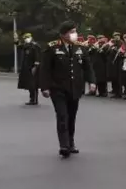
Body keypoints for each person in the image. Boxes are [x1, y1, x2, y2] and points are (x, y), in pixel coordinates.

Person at [39, 21, 95, 158]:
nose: (74, 34)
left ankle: (71, 142)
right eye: (71, 32)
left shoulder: (80, 48)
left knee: (71, 116)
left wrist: (92, 82)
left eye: (75, 31)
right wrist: (44, 87)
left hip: (75, 88)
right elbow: (45, 69)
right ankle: (63, 145)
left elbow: (88, 67)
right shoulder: (52, 47)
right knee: (62, 116)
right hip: (58, 88)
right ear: (63, 34)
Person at [15, 32, 41, 105]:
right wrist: (16, 39)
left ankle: (34, 100)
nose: (25, 40)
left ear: (30, 37)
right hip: (26, 68)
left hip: (33, 68)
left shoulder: (35, 46)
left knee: (33, 84)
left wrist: (35, 67)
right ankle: (31, 99)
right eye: (24, 39)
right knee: (29, 84)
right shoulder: (26, 46)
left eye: (27, 38)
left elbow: (38, 57)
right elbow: (19, 46)